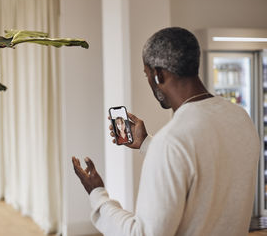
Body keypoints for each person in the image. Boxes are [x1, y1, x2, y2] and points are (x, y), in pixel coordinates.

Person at [72, 27, 260, 236]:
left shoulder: (171, 140)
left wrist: (97, 194)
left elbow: (144, 234)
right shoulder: (240, 117)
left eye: (147, 74)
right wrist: (146, 143)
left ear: (158, 74)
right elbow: (205, 164)